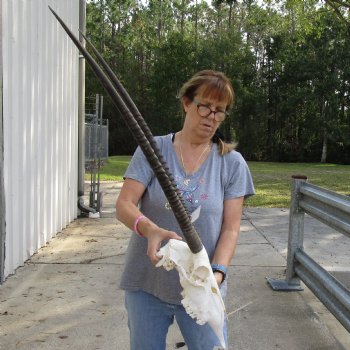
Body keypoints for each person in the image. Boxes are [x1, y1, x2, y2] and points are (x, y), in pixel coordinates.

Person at [116, 70, 255, 350]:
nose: (211, 116)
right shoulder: (152, 149)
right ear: (186, 102)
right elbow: (124, 205)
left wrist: (217, 274)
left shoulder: (232, 163)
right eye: (205, 105)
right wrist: (149, 228)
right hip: (147, 283)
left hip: (203, 286)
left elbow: (230, 228)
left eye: (220, 111)